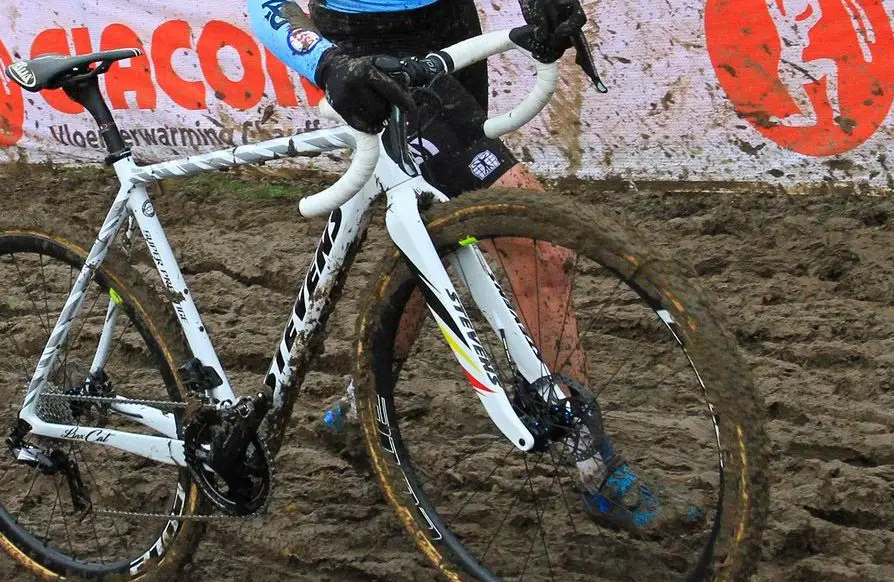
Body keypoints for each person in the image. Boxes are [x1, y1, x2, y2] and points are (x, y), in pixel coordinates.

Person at [247, 0, 699, 532]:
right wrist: (325, 62)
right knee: (540, 249)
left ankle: (357, 410)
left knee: (435, 227)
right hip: (365, 49)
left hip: (446, 25)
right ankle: (594, 469)